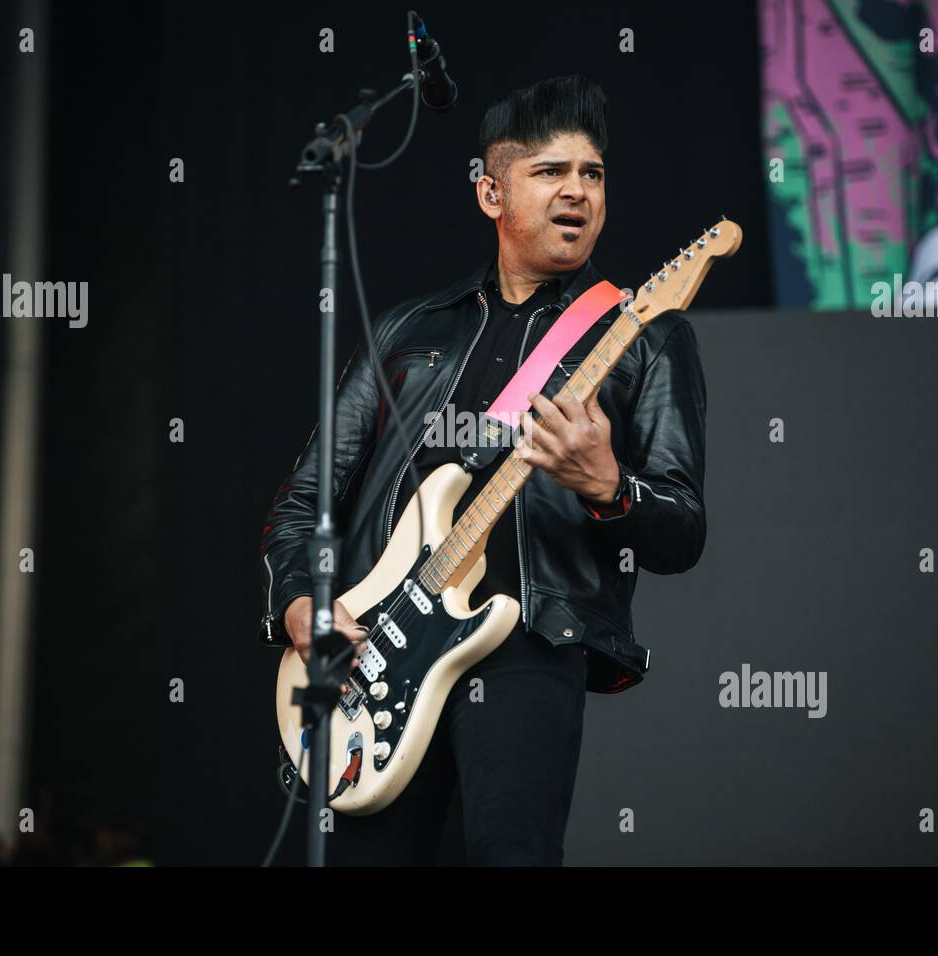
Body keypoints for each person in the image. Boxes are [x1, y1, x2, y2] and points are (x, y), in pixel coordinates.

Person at [260, 74, 707, 865]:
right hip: (380, 654)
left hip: (527, 645)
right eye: (549, 172)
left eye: (592, 174)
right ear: (490, 194)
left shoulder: (645, 336)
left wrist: (607, 487)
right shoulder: (408, 330)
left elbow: (680, 529)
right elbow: (305, 499)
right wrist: (302, 600)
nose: (577, 191)